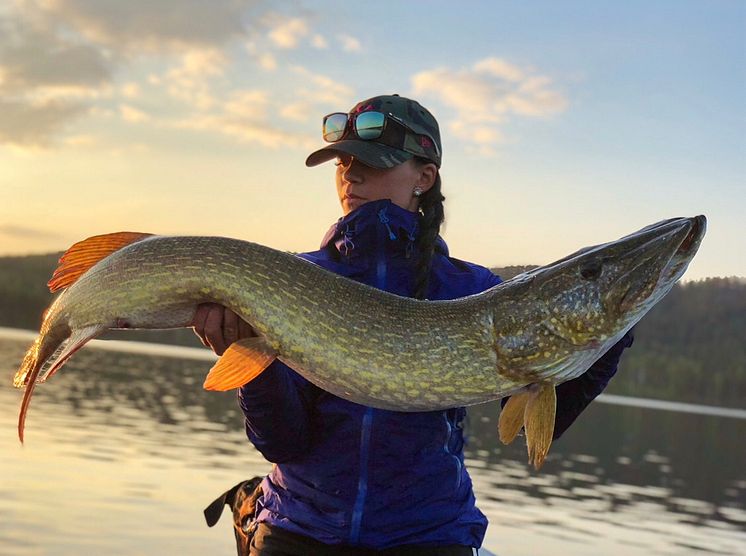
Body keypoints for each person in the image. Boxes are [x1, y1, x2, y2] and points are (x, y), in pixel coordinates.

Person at [193, 94, 634, 555]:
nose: (351, 173)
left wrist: (608, 333)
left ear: (424, 177)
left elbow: (535, 420)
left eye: (373, 162)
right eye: (343, 162)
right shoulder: (295, 282)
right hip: (301, 529)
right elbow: (283, 441)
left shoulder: (474, 291)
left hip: (426, 536)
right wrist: (247, 359)